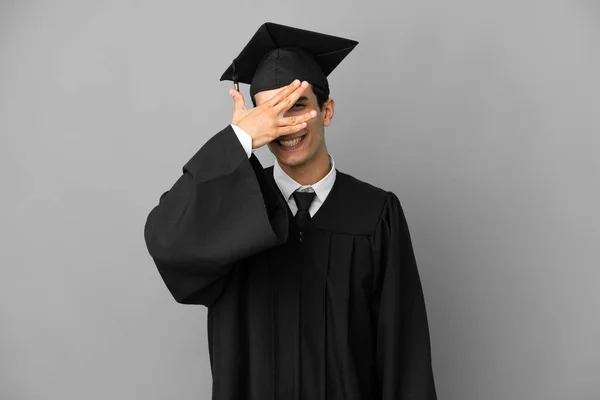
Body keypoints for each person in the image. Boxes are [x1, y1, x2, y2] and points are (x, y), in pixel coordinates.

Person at [144, 22, 437, 400]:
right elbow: (166, 240)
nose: (284, 126)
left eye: (297, 106)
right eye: (269, 114)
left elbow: (404, 356)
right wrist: (239, 141)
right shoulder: (230, 209)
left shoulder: (375, 214)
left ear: (326, 110)